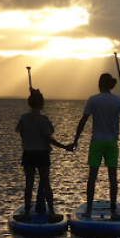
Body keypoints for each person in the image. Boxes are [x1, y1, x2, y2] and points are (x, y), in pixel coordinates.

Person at [73, 73, 120, 220]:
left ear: (100, 84)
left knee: (92, 176)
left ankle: (89, 209)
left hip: (97, 142)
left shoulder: (93, 100)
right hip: (111, 143)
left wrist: (76, 140)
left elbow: (83, 120)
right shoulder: (118, 101)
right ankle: (113, 209)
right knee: (112, 177)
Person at [14, 88, 73, 222]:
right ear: (41, 103)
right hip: (41, 153)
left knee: (29, 183)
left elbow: (21, 134)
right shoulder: (43, 119)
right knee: (46, 182)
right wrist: (64, 147)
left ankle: (27, 212)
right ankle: (51, 212)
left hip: (28, 153)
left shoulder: (24, 118)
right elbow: (49, 136)